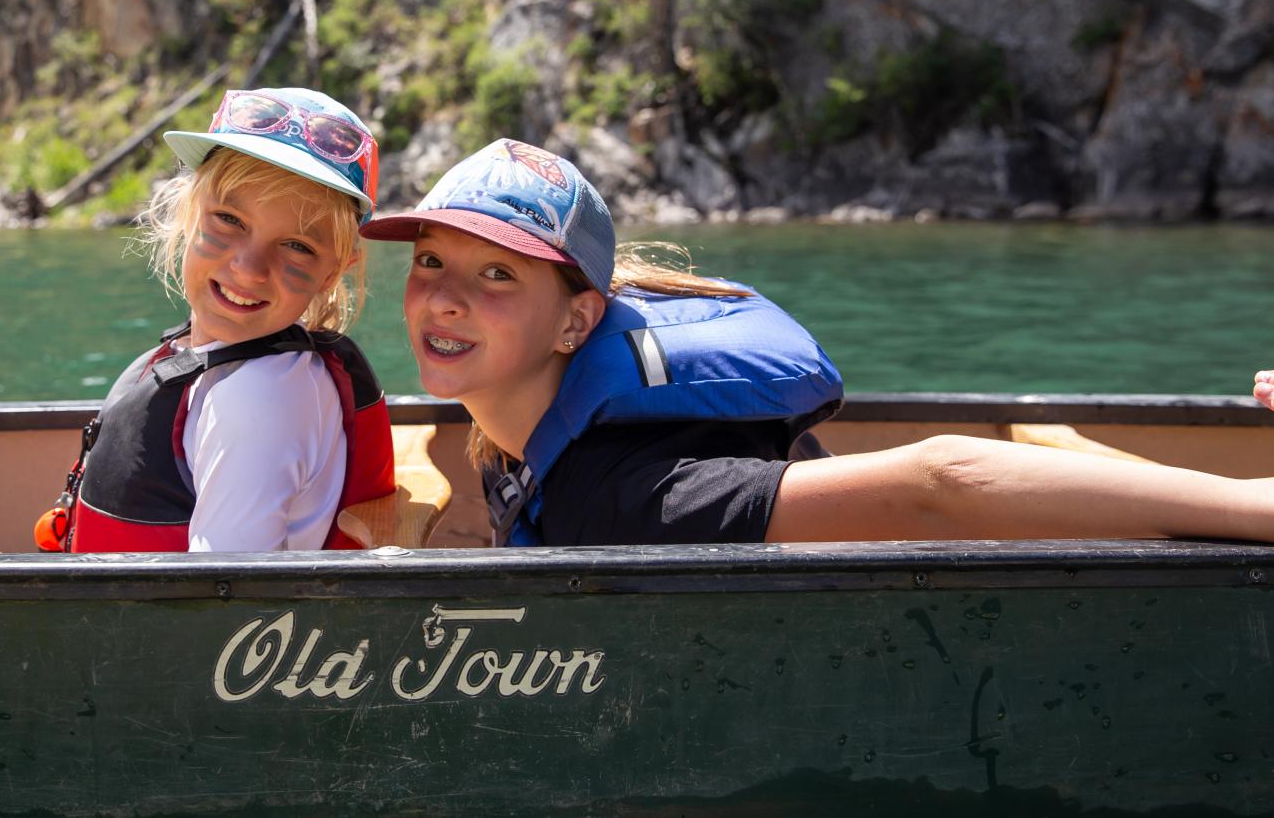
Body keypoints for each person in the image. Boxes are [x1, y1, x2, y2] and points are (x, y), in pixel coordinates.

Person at [362, 138, 1274, 547]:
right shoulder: (522, 431)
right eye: (434, 260)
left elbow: (939, 482)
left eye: (496, 276)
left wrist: (1253, 507)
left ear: (577, 320)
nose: (442, 299)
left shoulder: (625, 495)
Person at [37, 87, 396, 553]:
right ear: (189, 214)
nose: (248, 268)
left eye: (297, 246)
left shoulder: (258, 399)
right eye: (229, 219)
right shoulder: (218, 364)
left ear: (333, 272)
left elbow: (222, 602)